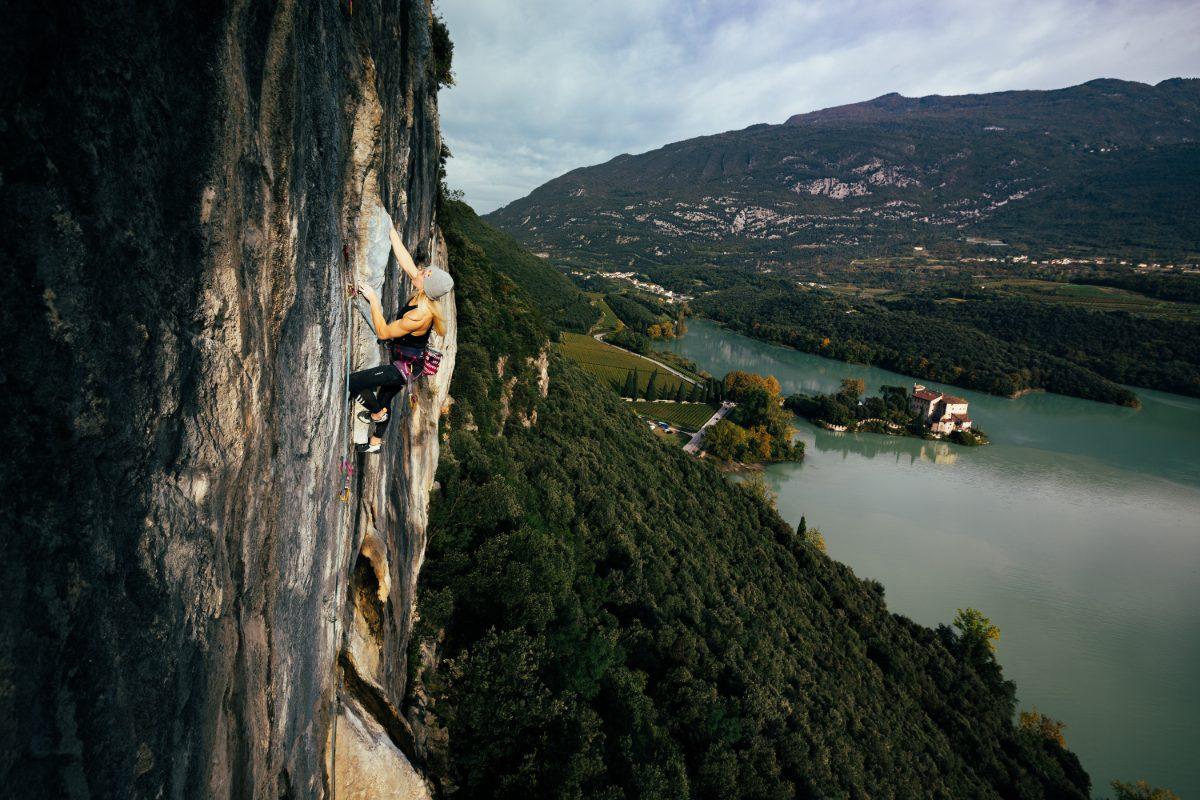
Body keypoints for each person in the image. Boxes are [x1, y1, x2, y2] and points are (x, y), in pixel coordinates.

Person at [349, 222, 453, 453]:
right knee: (384, 398)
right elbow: (406, 262)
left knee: (353, 383)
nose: (420, 270)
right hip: (406, 360)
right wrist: (391, 230)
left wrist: (374, 301)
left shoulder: (420, 315)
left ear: (426, 285)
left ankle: (376, 414)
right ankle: (375, 444)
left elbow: (384, 332)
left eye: (425, 273)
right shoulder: (423, 293)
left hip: (403, 369)